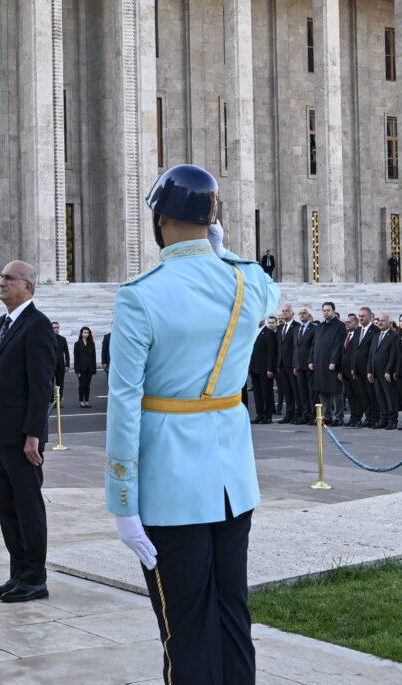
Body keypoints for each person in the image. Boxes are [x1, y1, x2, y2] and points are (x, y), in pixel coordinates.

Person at [106, 165, 280, 685]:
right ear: (213, 221)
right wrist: (221, 253)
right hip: (232, 482)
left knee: (184, 627)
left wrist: (122, 502)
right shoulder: (246, 279)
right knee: (232, 616)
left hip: (170, 485)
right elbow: (271, 292)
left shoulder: (140, 294)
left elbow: (124, 403)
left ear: (160, 220)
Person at [0, 260, 55, 604]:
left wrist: (33, 435)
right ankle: (18, 573)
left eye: (9, 278)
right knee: (7, 507)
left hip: (22, 438)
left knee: (27, 507)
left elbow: (41, 385)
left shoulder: (37, 325)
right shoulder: (0, 324)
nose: (1, 282)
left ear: (28, 286)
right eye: (0, 277)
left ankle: (35, 578)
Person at [309, 301, 346, 426]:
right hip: (319, 363)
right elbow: (314, 344)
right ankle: (327, 416)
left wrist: (333, 361)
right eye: (324, 310)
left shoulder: (340, 326)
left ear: (333, 311)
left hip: (332, 364)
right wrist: (310, 360)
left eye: (328, 310)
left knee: (336, 391)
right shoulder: (319, 326)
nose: (325, 313)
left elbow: (338, 345)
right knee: (322, 391)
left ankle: (339, 417)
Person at [367, 315, 399, 429]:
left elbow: (393, 355)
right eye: (379, 321)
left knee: (390, 398)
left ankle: (392, 420)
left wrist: (388, 370)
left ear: (389, 323)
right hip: (376, 373)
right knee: (380, 398)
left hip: (386, 373)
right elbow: (371, 355)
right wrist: (369, 370)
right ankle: (384, 419)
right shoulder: (376, 336)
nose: (380, 323)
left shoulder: (394, 336)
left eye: (383, 321)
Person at [246, 316, 278, 424]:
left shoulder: (269, 333)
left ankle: (268, 415)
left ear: (263, 320)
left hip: (265, 369)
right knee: (257, 394)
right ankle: (259, 413)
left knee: (266, 392)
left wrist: (270, 368)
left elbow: (271, 352)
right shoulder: (254, 333)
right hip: (254, 368)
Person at [352, 307, 379, 427]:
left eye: (363, 316)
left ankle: (375, 418)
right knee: (363, 395)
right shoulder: (357, 331)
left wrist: (370, 369)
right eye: (359, 316)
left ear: (370, 317)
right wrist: (353, 367)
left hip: (369, 369)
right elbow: (354, 350)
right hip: (358, 369)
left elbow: (373, 352)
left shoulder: (375, 330)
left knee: (372, 395)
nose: (361, 318)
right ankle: (368, 417)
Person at [292, 308, 316, 425]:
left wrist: (311, 361)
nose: (301, 315)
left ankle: (313, 415)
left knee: (311, 392)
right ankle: (305, 415)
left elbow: (314, 347)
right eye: (300, 313)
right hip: (299, 365)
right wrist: (294, 364)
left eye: (304, 313)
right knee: (302, 392)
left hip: (309, 365)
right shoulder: (296, 329)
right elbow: (294, 348)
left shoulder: (314, 328)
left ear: (309, 315)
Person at [274, 305, 297, 423]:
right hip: (282, 365)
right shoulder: (280, 328)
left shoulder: (297, 326)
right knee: (286, 391)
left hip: (292, 365)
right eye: (283, 311)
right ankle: (289, 414)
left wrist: (295, 363)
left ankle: (298, 414)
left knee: (295, 390)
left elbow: (296, 347)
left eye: (287, 311)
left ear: (292, 313)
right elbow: (278, 347)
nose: (284, 313)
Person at [73, 327, 98, 408]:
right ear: (81, 333)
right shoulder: (77, 344)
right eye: (85, 332)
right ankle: (81, 401)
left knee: (87, 385)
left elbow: (93, 357)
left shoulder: (92, 343)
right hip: (81, 368)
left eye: (87, 333)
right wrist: (77, 370)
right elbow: (76, 358)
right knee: (82, 385)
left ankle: (86, 401)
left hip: (89, 368)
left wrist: (94, 369)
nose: (86, 334)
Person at [51, 322, 70, 404]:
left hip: (61, 366)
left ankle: (59, 401)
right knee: (50, 384)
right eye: (54, 328)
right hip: (50, 366)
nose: (56, 329)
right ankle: (51, 400)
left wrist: (67, 365)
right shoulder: (47, 338)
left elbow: (66, 352)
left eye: (57, 327)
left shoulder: (63, 339)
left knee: (60, 384)